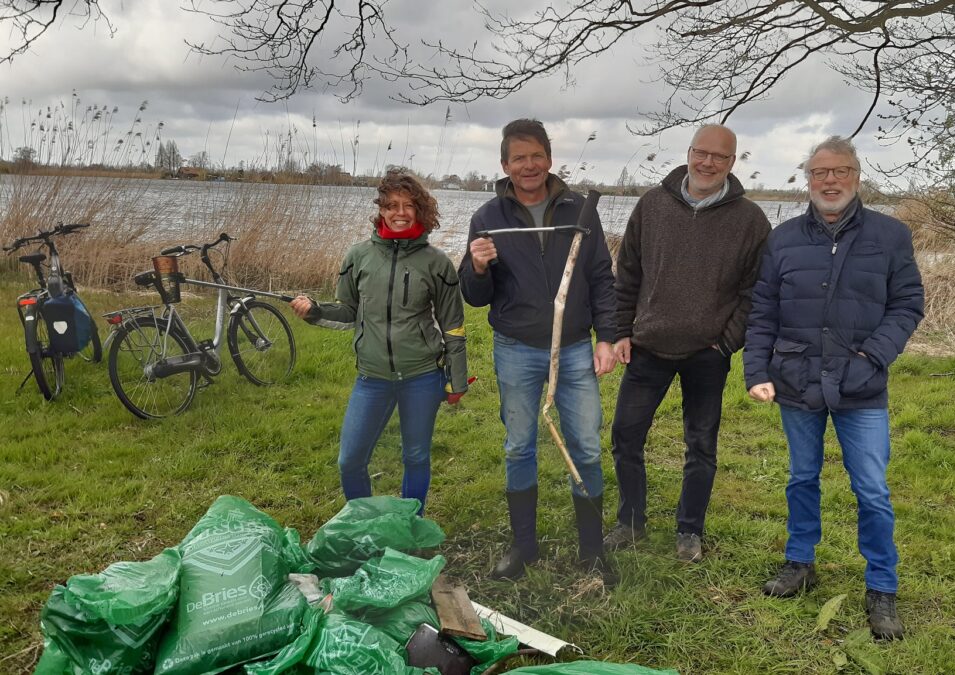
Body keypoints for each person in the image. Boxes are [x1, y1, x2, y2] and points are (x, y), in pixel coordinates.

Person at [743, 136, 924, 639]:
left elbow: (907, 304)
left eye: (840, 171)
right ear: (808, 178)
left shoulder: (890, 236)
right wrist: (757, 371)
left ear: (857, 176)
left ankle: (882, 587)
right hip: (796, 380)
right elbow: (763, 312)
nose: (830, 181)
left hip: (861, 384)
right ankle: (800, 563)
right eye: (820, 172)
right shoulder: (782, 240)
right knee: (802, 477)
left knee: (871, 489)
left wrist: (872, 357)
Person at [603, 124, 772, 563]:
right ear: (690, 152)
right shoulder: (653, 205)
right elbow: (629, 274)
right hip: (648, 345)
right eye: (702, 153)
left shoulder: (750, 221)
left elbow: (756, 290)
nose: (708, 162)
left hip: (706, 353)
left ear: (733, 163)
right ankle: (631, 520)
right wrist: (622, 330)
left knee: (701, 445)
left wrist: (725, 343)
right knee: (625, 435)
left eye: (720, 157)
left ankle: (689, 529)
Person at [460, 118, 617, 582]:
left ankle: (591, 549)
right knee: (518, 446)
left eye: (536, 156)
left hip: (572, 349)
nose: (528, 166)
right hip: (516, 349)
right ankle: (523, 547)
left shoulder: (580, 210)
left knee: (586, 443)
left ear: (549, 157)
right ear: (504, 164)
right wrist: (478, 267)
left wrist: (605, 336)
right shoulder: (488, 217)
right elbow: (474, 296)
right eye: (518, 158)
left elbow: (603, 279)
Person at [290, 169, 468, 514]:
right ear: (381, 210)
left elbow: (453, 326)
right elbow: (346, 311)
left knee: (415, 456)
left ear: (420, 210)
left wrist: (456, 380)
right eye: (391, 206)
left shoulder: (437, 263)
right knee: (349, 460)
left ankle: (411, 525)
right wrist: (313, 311)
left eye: (407, 206)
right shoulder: (358, 257)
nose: (399, 213)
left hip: (422, 376)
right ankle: (363, 523)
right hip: (372, 377)